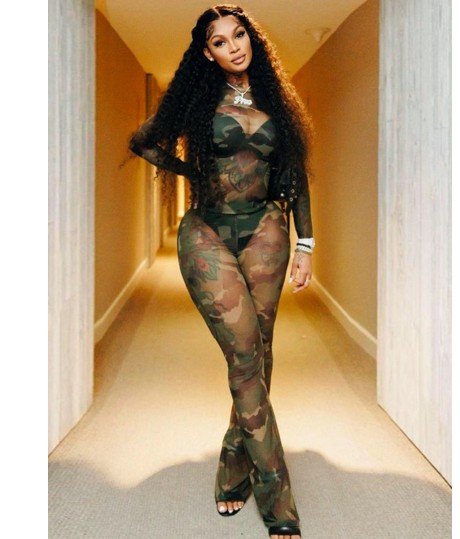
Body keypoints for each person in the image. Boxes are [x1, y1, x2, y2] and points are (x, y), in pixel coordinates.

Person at [129, 5, 314, 538]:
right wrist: (191, 169)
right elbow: (143, 141)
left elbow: (295, 173)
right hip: (207, 232)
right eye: (220, 41)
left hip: (266, 230)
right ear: (207, 53)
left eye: (240, 34)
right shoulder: (197, 99)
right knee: (244, 353)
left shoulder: (275, 98)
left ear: (252, 37)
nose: (234, 46)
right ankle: (279, 503)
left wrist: (306, 242)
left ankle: (233, 465)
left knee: (260, 350)